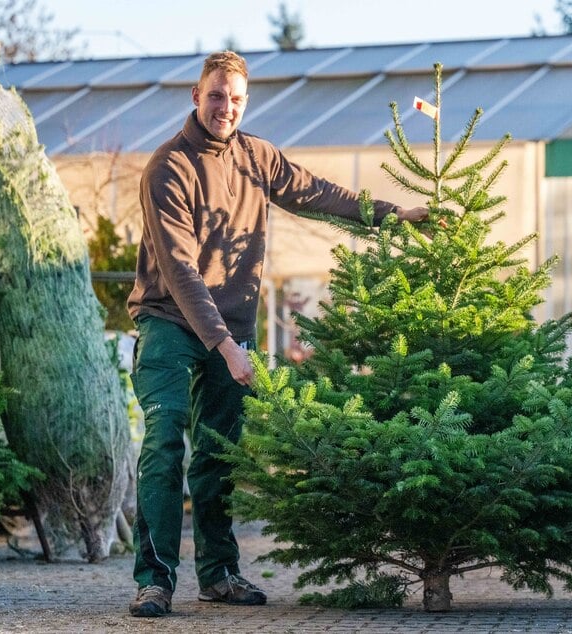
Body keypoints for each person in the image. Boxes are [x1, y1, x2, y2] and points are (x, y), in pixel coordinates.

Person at [125, 50, 428, 618]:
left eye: (237, 98)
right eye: (216, 95)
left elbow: (321, 193)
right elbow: (179, 269)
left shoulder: (257, 158)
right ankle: (156, 580)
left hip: (229, 329)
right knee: (165, 440)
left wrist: (393, 214)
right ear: (197, 96)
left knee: (220, 452)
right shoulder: (169, 166)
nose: (226, 107)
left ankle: (218, 575)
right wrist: (225, 347)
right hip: (170, 320)